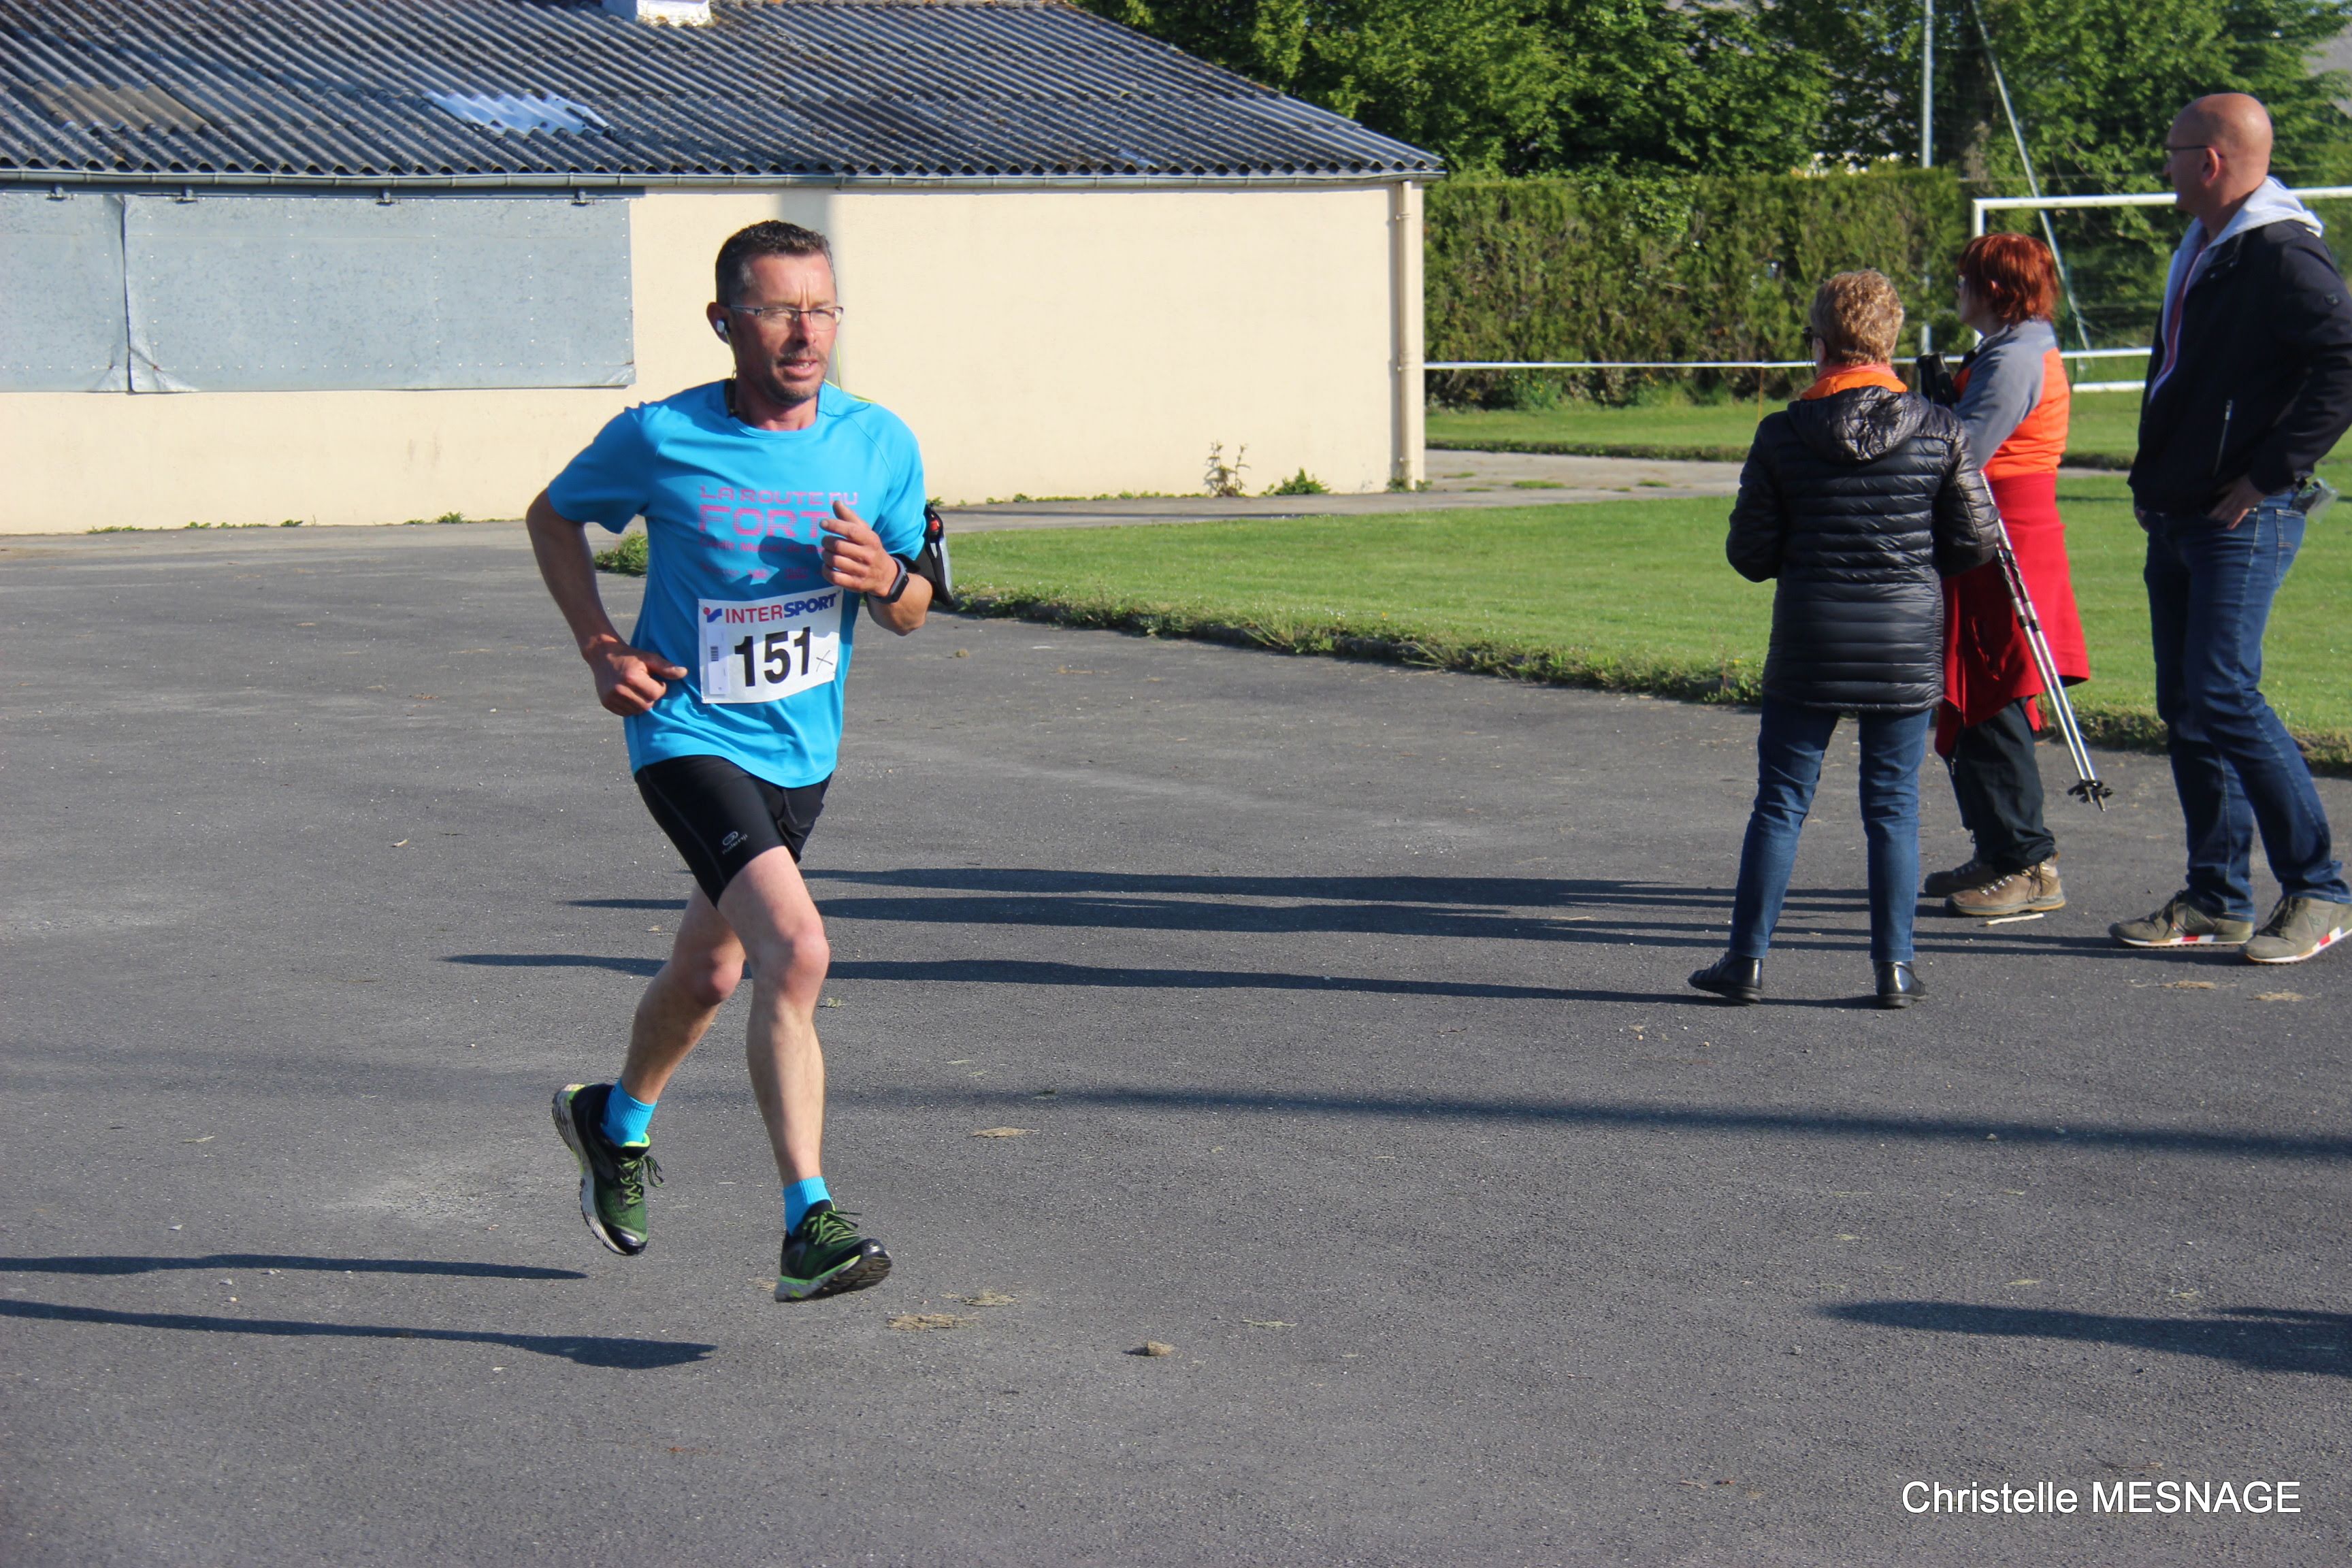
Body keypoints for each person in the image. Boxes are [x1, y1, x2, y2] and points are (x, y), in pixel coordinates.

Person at [525, 219, 933, 1300]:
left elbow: (917, 606)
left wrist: (885, 579)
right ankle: (810, 1223)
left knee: (711, 972)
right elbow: (553, 518)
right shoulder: (661, 438)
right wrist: (600, 646)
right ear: (725, 322)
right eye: (779, 311)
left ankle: (613, 1122)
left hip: (802, 751)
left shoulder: (878, 441)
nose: (806, 334)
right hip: (685, 732)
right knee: (796, 951)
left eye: (822, 309)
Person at [1691, 270, 1999, 1009]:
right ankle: (1894, 967)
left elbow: (1749, 554)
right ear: (1890, 342)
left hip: (1813, 631)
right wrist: (1913, 563)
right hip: (1902, 636)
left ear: (1821, 344)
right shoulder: (1940, 428)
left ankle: (1746, 960)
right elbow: (1976, 542)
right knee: (1892, 806)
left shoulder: (1782, 432)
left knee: (1781, 801)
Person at [2114, 93, 2352, 964]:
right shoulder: (2209, 244)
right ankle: (2217, 899)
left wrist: (2268, 474)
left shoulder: (2282, 252)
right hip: (2181, 510)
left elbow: (2344, 363)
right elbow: (2183, 375)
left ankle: (2320, 889)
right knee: (2188, 705)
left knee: (2221, 691)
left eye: (2174, 152)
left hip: (2244, 514)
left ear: (2211, 161)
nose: (2166, 166)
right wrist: (2156, 481)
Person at [1922, 233, 2090, 917]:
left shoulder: (2015, 356)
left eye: (1965, 278)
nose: (1956, 289)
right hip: (1993, 533)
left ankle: (2027, 862)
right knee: (1981, 694)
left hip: (2002, 537)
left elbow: (1964, 452)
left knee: (1991, 694)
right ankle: (2000, 848)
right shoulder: (2012, 348)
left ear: (1993, 289)